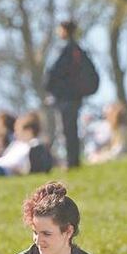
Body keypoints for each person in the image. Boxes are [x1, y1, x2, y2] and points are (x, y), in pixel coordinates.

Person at [45, 20, 95, 168]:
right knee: (72, 129)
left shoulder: (63, 49)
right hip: (76, 96)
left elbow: (52, 71)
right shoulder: (78, 50)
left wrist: (49, 89)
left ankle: (70, 162)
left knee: (66, 130)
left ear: (64, 31)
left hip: (64, 97)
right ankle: (74, 160)